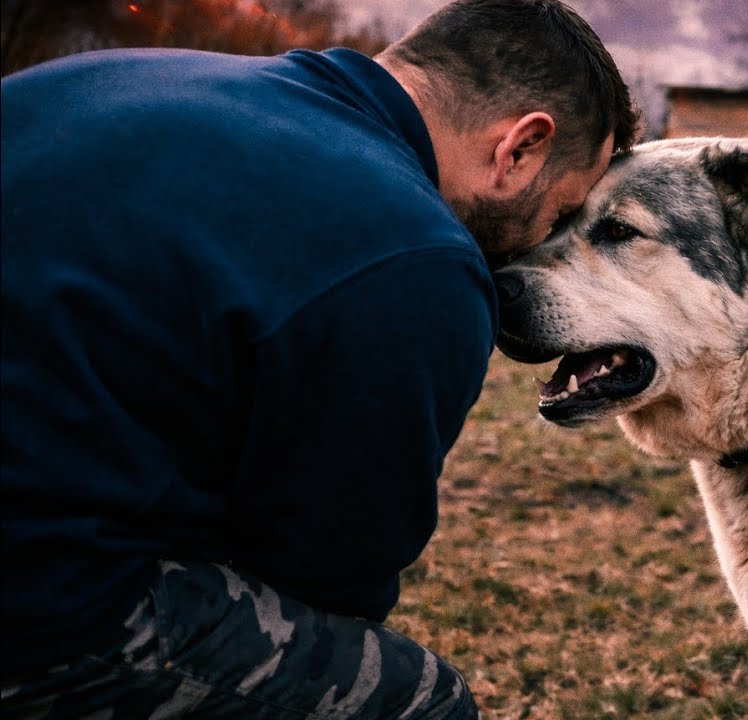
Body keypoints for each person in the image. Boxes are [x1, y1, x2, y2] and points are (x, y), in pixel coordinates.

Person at [0, 0, 639, 716]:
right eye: (558, 213)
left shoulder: (109, 77)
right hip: (37, 605)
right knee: (415, 700)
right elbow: (329, 580)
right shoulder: (412, 257)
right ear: (520, 148)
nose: (536, 246)